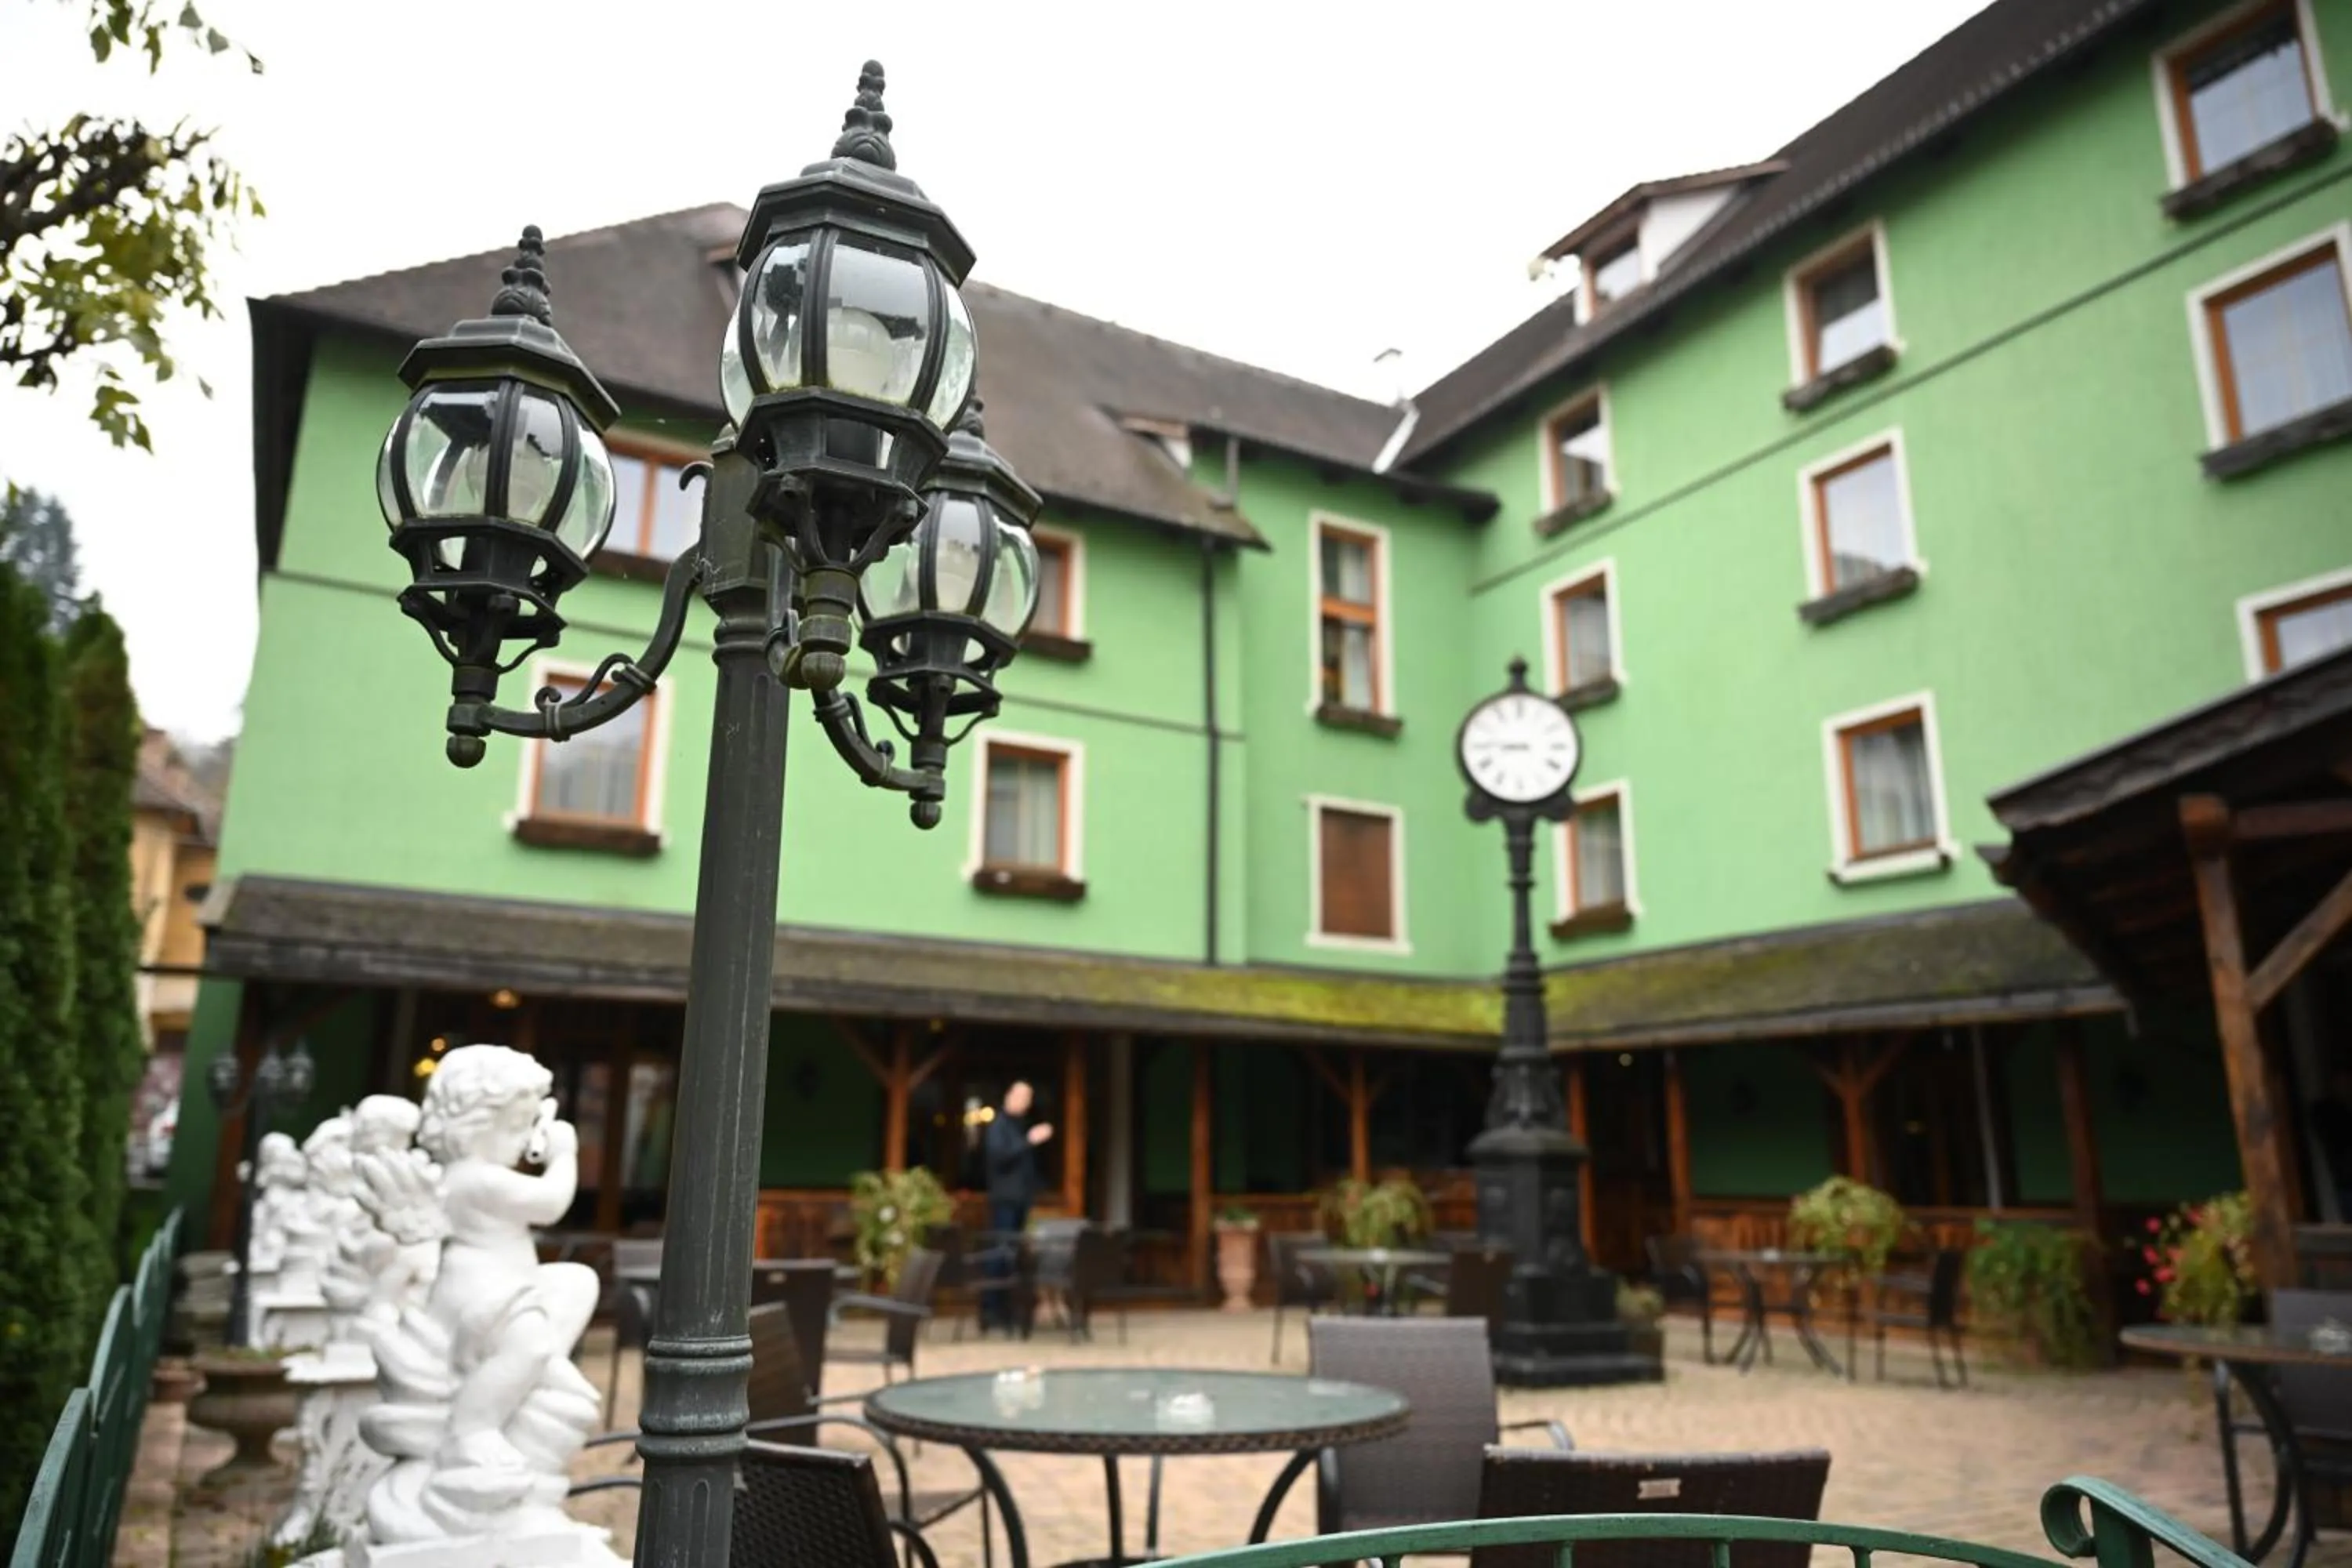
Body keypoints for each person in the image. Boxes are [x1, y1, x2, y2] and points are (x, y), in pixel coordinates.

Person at [978, 1080, 1052, 1331]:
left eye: (1028, 1098)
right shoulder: (999, 1126)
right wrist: (1029, 1141)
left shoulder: (1018, 1126)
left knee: (1014, 1259)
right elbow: (1000, 1158)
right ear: (1009, 1096)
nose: (1025, 1102)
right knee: (1000, 1255)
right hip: (1005, 1201)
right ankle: (991, 1310)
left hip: (1021, 1200)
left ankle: (1008, 1310)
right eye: (1021, 1096)